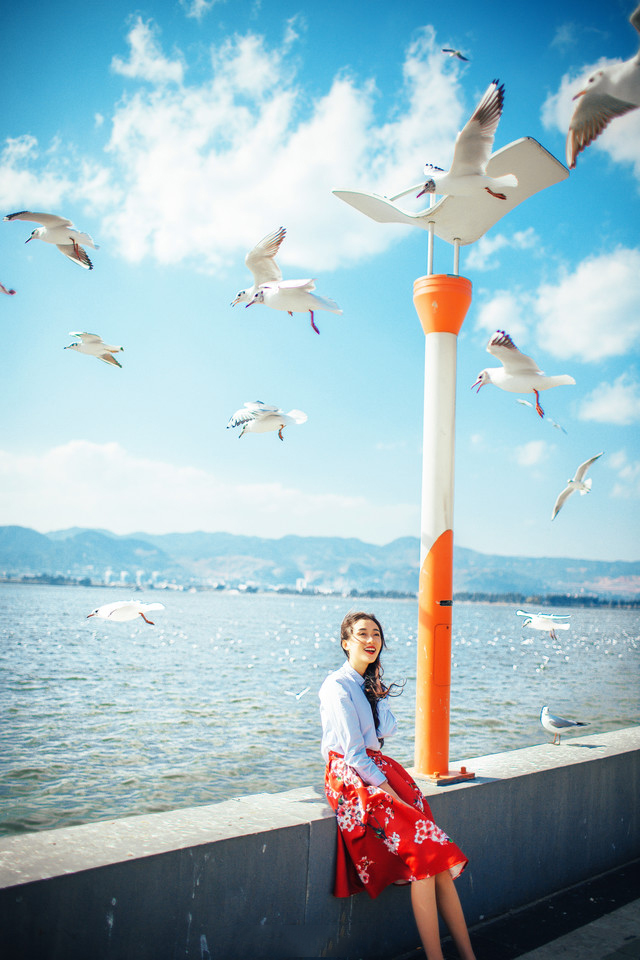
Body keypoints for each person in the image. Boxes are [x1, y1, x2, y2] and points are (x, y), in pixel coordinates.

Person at [319, 611, 476, 960]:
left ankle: (468, 956)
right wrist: (390, 794)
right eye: (361, 634)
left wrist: (378, 694)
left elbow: (385, 730)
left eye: (376, 633)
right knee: (425, 860)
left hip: (377, 768)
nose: (371, 639)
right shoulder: (336, 686)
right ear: (346, 643)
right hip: (351, 776)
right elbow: (354, 753)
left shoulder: (364, 684)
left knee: (435, 862)